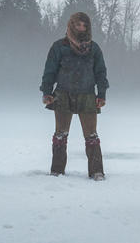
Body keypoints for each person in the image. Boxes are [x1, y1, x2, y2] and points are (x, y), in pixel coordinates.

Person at [40, 12, 109, 180]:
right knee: (60, 135)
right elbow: (50, 71)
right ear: (71, 25)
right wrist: (47, 92)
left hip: (87, 96)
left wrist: (101, 94)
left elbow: (100, 73)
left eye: (84, 25)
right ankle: (57, 170)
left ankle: (96, 171)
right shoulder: (59, 47)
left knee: (91, 135)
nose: (81, 28)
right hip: (63, 94)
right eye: (78, 25)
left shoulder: (94, 48)